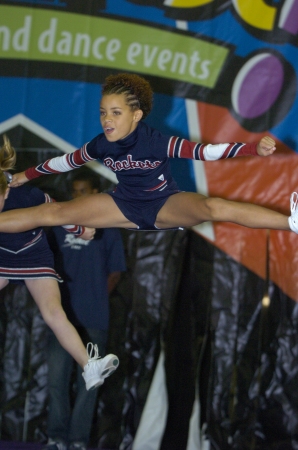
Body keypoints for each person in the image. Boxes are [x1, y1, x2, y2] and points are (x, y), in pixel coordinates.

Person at [2, 72, 298, 235]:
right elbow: (64, 162)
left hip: (164, 204)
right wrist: (24, 177)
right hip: (122, 204)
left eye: (116, 113)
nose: (107, 120)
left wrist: (253, 149)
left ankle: (291, 223)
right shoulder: (100, 144)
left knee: (214, 207)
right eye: (103, 112)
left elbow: (205, 152)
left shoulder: (157, 142)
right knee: (52, 213)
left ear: (137, 115)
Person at [0, 136, 120, 399]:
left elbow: (58, 213)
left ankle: (89, 367)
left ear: (6, 191)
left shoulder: (28, 194)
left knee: (54, 312)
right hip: (2, 254)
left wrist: (81, 230)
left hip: (33, 255)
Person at [43, 171, 126, 450]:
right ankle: (56, 437)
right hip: (61, 317)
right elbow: (43, 263)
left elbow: (115, 271)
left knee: (89, 383)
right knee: (56, 379)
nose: (79, 196)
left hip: (93, 317)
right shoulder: (60, 224)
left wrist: (95, 296)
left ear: (95, 192)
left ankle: (77, 440)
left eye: (84, 191)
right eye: (75, 191)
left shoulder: (108, 227)